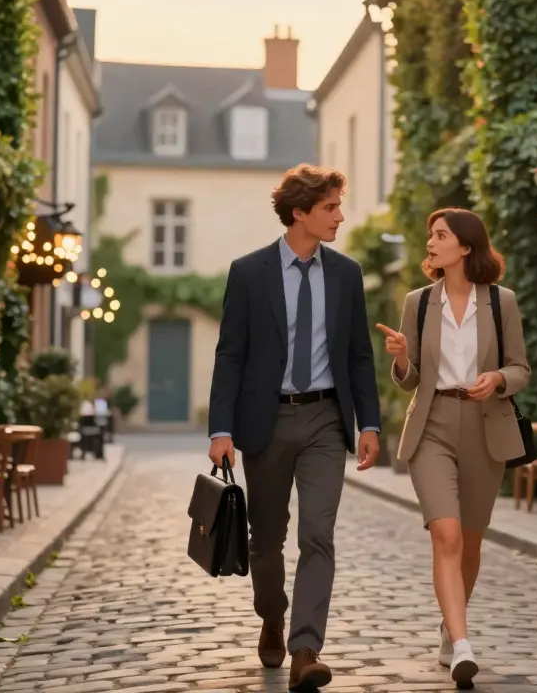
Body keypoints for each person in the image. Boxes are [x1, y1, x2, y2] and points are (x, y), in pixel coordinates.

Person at [207, 164, 382, 692]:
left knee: (317, 533)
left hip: (326, 419)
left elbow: (358, 356)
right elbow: (230, 356)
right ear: (299, 212)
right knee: (266, 539)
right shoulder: (249, 272)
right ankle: (272, 615)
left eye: (338, 206)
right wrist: (221, 430)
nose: (340, 216)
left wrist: (369, 423)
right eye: (330, 207)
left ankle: (306, 649)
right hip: (266, 420)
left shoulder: (347, 274)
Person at [374, 208, 529, 687]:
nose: (431, 242)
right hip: (432, 425)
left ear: (465, 246)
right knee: (446, 535)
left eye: (440, 235)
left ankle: (449, 625)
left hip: (485, 427)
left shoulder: (501, 302)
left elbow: (520, 368)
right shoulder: (419, 303)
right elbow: (410, 380)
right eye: (431, 235)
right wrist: (402, 358)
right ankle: (462, 646)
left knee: (471, 542)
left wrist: (497, 378)